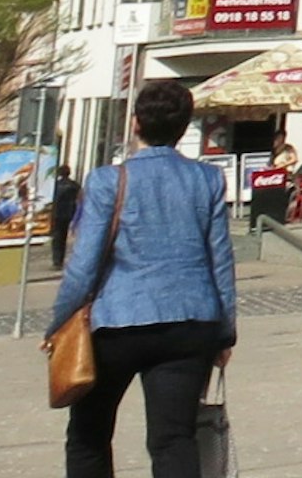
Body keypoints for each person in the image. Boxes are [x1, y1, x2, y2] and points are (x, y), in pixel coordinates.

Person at [45, 75, 241, 478]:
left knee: (89, 434)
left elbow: (84, 265)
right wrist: (226, 331)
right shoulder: (206, 179)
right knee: (173, 439)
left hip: (117, 323)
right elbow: (220, 260)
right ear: (184, 128)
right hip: (190, 322)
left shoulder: (107, 180)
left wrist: (57, 322)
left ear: (135, 123)